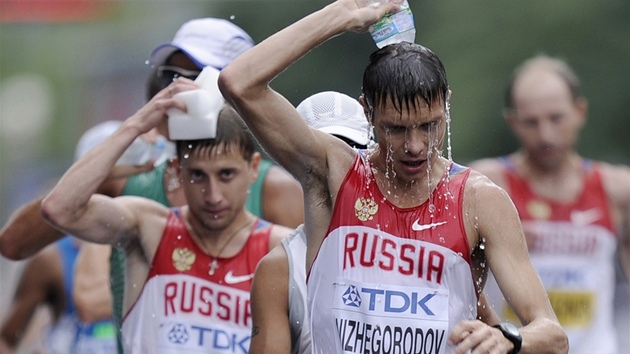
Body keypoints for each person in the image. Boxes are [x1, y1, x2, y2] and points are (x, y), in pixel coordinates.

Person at [218, 1, 568, 353]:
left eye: (429, 126)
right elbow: (239, 82)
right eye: (396, 129)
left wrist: (507, 337)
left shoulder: (479, 200)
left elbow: (553, 335)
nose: (415, 146)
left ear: (446, 105)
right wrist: (341, 16)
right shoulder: (334, 174)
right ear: (367, 111)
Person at [40, 78, 294, 353]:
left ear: (253, 168)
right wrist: (136, 125)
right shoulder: (151, 228)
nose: (213, 195)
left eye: (226, 175)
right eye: (198, 175)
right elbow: (59, 209)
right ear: (176, 171)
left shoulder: (278, 249)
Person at [470, 54, 630, 354]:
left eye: (556, 118)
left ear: (580, 111)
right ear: (512, 122)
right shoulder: (486, 186)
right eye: (531, 122)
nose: (545, 134)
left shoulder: (618, 190)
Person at [249, 91, 372, 354]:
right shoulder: (280, 267)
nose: (334, 166)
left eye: (347, 151)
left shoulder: (413, 239)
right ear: (292, 162)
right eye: (318, 154)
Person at [0, 122, 126, 354]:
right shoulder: (53, 262)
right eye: (107, 186)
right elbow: (6, 339)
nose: (118, 191)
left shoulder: (158, 240)